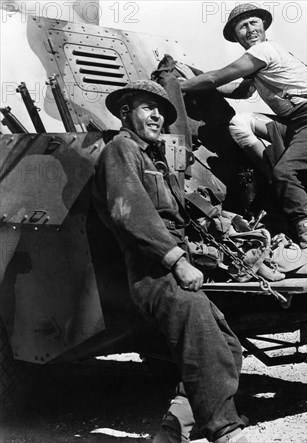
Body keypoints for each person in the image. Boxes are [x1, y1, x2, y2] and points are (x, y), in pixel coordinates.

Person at [92, 80, 247, 443]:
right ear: (126, 112)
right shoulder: (121, 151)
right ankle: (224, 429)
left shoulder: (150, 157)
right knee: (204, 339)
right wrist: (177, 261)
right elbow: (131, 215)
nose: (157, 115)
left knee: (228, 345)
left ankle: (175, 427)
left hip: (170, 267)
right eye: (147, 107)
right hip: (153, 271)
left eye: (160, 110)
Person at [179, 3, 307, 275]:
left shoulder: (264, 51)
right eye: (242, 27)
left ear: (264, 26)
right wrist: (197, 75)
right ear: (237, 36)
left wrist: (177, 85)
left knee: (286, 171)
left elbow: (217, 78)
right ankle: (273, 178)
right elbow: (239, 91)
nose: (250, 29)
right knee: (240, 122)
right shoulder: (256, 65)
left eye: (254, 23)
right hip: (298, 121)